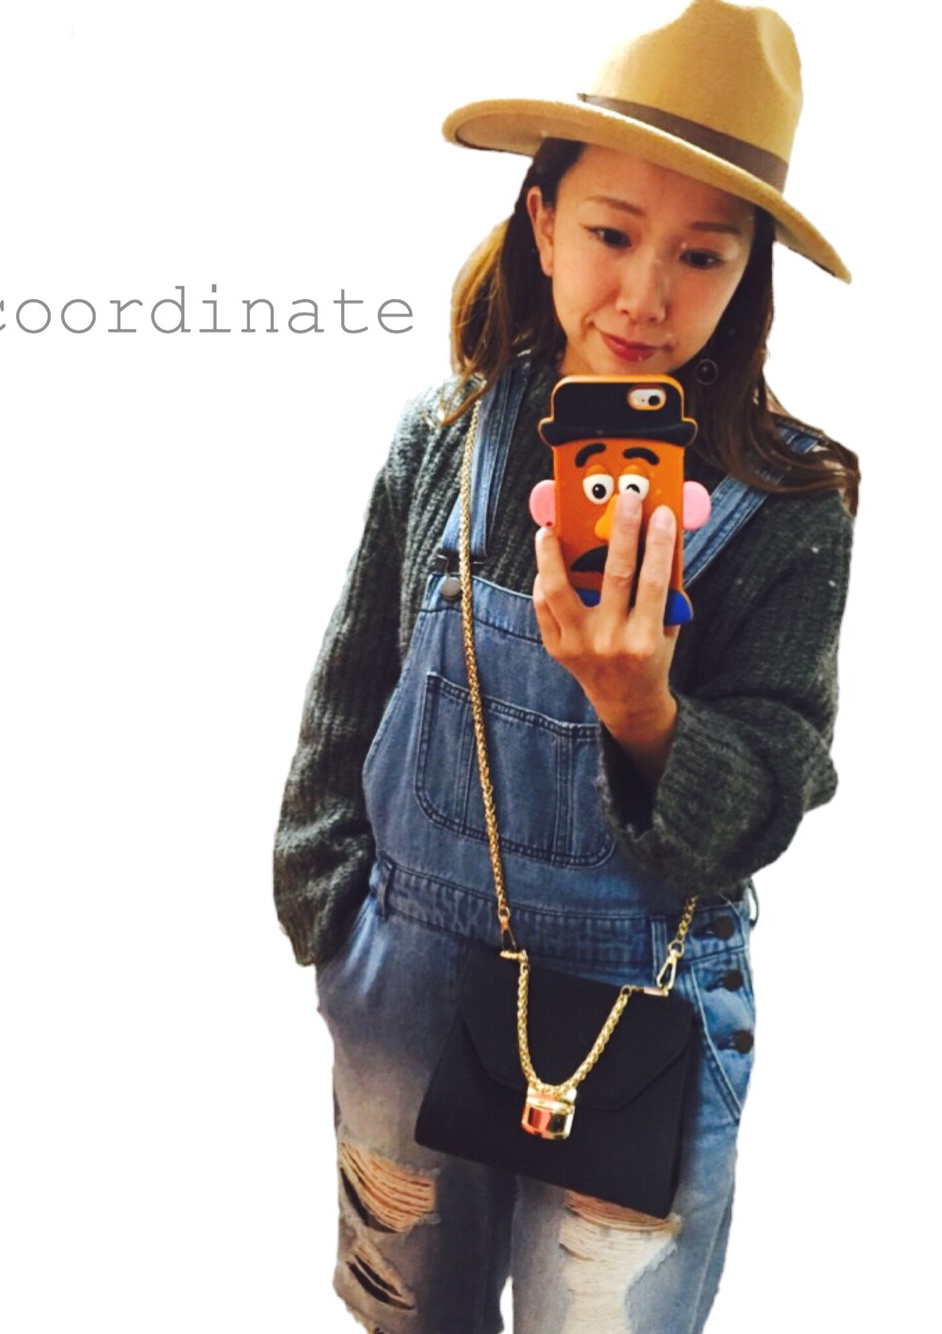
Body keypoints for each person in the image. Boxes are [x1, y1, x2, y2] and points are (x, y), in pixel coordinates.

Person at [272, 1, 858, 1330]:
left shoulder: (790, 503)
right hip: (405, 987)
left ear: (748, 269)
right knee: (411, 1315)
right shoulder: (447, 437)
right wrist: (330, 919)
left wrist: (645, 711)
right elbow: (350, 685)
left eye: (702, 255)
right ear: (541, 222)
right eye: (610, 233)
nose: (647, 296)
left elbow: (775, 787)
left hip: (640, 1012)